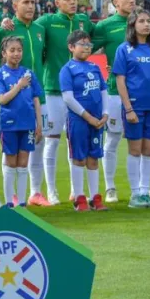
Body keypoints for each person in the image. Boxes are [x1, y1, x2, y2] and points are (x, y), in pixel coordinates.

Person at [23, 0, 93, 205]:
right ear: (57, 2)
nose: (73, 2)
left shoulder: (84, 21)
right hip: (53, 90)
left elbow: (95, 44)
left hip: (80, 92)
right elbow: (31, 38)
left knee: (77, 140)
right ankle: (49, 191)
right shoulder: (46, 22)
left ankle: (76, 190)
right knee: (50, 140)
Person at [0, 0, 49, 206]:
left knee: (34, 149)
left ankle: (33, 193)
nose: (30, 6)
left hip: (33, 97)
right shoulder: (6, 28)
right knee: (10, 155)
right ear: (14, 6)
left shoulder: (40, 29)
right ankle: (11, 197)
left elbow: (44, 55)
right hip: (11, 104)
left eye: (33, 2)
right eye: (25, 2)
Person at [113, 8, 150, 209]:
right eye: (142, 21)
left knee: (149, 149)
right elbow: (121, 80)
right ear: (132, 25)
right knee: (135, 150)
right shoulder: (124, 49)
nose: (146, 24)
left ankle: (145, 191)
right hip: (134, 107)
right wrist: (128, 108)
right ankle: (135, 194)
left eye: (149, 21)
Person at [91, 0, 134, 203]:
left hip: (141, 92)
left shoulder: (142, 23)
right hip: (115, 91)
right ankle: (110, 187)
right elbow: (85, 48)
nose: (131, 0)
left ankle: (140, 187)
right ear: (115, 3)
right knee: (113, 138)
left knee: (140, 141)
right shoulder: (105, 26)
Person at [60, 31, 109, 212]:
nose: (86, 48)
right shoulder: (67, 69)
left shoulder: (95, 67)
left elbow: (103, 91)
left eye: (89, 45)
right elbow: (68, 98)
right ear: (71, 47)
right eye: (82, 44)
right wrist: (88, 117)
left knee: (94, 158)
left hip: (97, 120)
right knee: (79, 158)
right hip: (79, 120)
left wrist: (104, 114)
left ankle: (95, 197)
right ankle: (79, 198)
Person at [0, 37, 44, 209]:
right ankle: (9, 202)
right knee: (11, 162)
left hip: (28, 124)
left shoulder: (28, 73)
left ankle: (22, 203)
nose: (16, 54)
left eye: (19, 50)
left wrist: (39, 124)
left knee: (23, 163)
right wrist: (19, 86)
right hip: (9, 125)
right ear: (4, 53)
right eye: (12, 50)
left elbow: (36, 99)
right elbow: (2, 100)